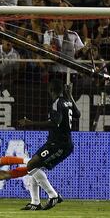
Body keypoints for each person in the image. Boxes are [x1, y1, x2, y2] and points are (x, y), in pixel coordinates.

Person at [18, 79, 80, 210]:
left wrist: (30, 123)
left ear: (50, 90)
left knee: (31, 165)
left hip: (58, 144)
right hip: (58, 143)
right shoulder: (67, 101)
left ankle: (53, 195)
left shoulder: (57, 103)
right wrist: (71, 96)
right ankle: (35, 203)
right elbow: (77, 114)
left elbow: (54, 122)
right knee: (34, 167)